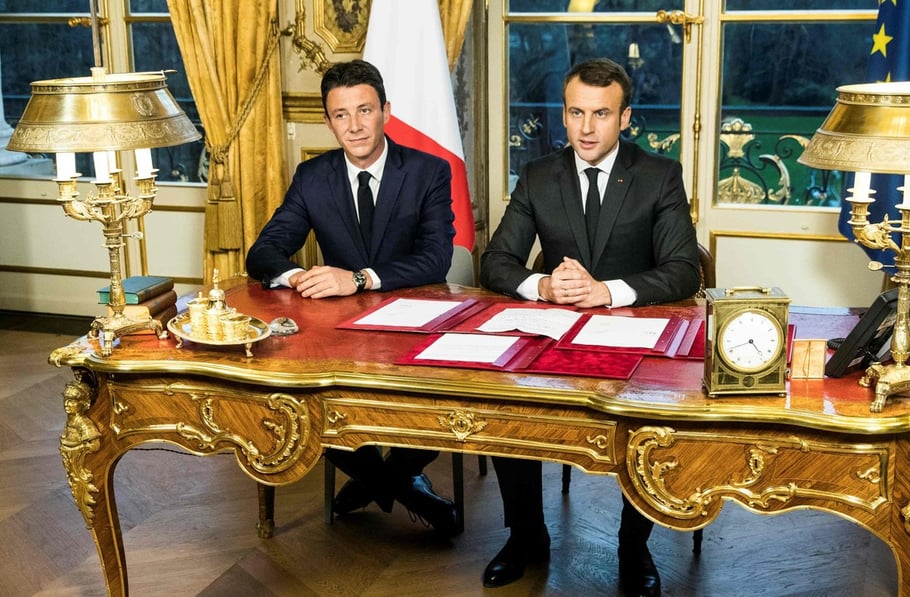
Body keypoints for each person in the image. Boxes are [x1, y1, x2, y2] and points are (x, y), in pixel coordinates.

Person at [479, 58, 702, 597]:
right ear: (564, 114)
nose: (585, 128)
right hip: (556, 337)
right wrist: (543, 287)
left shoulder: (659, 176)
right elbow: (495, 261)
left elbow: (684, 270)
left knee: (647, 418)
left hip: (636, 335)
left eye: (600, 114)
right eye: (576, 113)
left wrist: (608, 292)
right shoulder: (538, 175)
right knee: (512, 402)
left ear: (625, 118)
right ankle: (527, 536)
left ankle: (633, 544)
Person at [246, 59, 458, 537]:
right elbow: (263, 252)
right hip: (337, 333)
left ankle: (379, 479)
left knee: (447, 401)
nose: (355, 125)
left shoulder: (428, 171)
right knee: (294, 399)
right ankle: (399, 485)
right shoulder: (313, 176)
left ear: (385, 111)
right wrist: (300, 275)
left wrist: (359, 278)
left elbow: (435, 261)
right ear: (328, 121)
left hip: (416, 328)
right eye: (341, 115)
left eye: (365, 111)